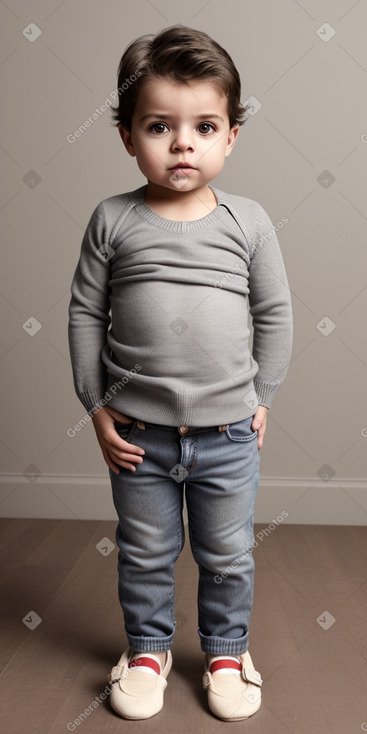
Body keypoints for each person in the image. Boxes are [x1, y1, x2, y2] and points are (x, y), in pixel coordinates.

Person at [68, 23, 293, 722]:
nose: (182, 143)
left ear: (230, 136)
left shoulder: (246, 221)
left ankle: (226, 652)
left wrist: (261, 397)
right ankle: (146, 651)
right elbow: (83, 317)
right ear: (127, 136)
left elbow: (276, 314)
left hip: (226, 433)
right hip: (138, 434)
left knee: (227, 554)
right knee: (144, 552)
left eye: (203, 126)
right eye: (159, 126)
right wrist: (97, 411)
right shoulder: (112, 219)